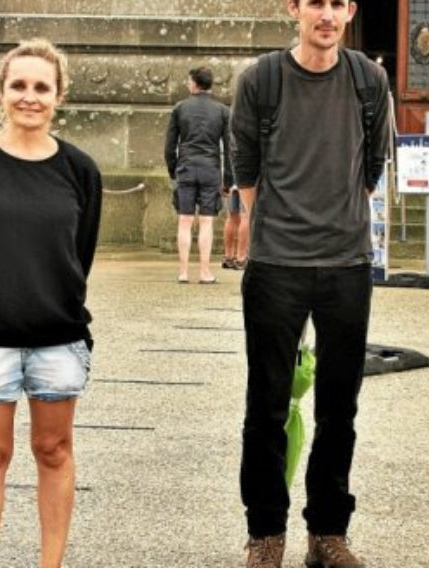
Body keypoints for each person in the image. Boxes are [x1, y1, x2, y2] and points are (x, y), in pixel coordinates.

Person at [229, 0, 390, 566]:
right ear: (293, 8)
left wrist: (337, 221)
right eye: (314, 2)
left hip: (346, 265)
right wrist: (279, 226)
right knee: (266, 406)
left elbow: (373, 166)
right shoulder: (262, 80)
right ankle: (266, 534)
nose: (326, 14)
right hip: (276, 266)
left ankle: (327, 533)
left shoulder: (369, 80)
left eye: (337, 4)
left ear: (349, 12)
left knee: (339, 408)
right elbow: (245, 168)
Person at [0, 38, 102, 568]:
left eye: (41, 88)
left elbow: (81, 253)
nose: (29, 97)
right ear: (1, 93)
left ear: (59, 97)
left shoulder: (80, 171)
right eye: (19, 86)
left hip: (58, 338)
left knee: (53, 453)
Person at [164, 66, 236, 283]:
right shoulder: (223, 111)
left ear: (194, 83)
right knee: (207, 222)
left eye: (189, 81)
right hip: (210, 169)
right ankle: (205, 272)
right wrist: (228, 180)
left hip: (185, 167)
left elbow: (169, 146)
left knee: (184, 221)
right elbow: (230, 148)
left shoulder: (180, 108)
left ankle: (183, 272)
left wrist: (174, 169)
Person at [222, 185, 248, 270]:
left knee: (231, 217)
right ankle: (241, 258)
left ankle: (228, 257)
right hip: (246, 182)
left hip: (231, 183)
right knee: (246, 217)